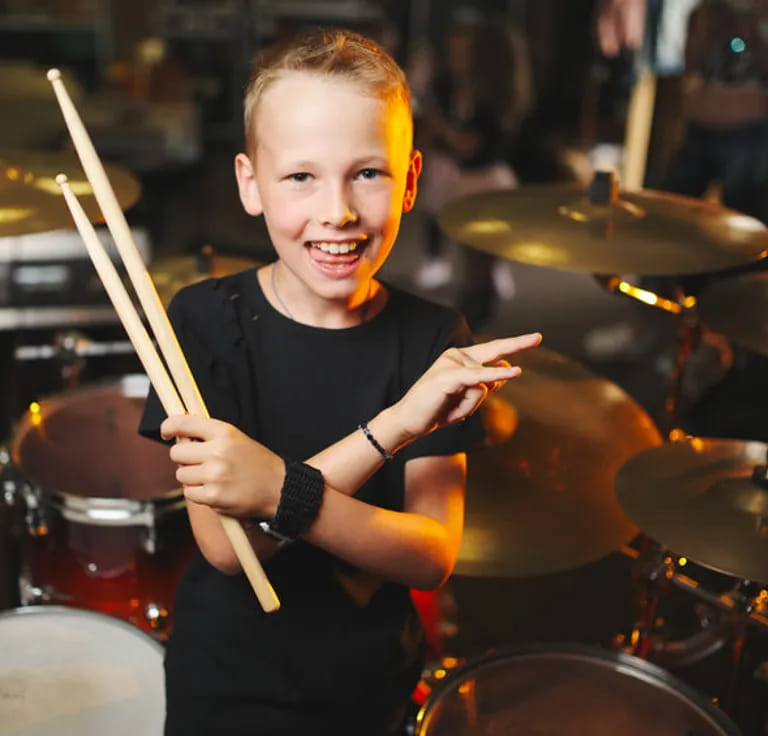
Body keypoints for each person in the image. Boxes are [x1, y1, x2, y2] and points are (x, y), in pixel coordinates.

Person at [139, 28, 541, 735]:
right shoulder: (202, 320)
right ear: (250, 184)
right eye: (301, 176)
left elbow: (430, 555)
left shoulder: (434, 339)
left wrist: (274, 491)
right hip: (226, 679)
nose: (338, 212)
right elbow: (231, 548)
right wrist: (394, 427)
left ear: (411, 180)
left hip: (370, 679)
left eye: (368, 173)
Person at [410, 16, 532, 329]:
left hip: (484, 180)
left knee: (479, 248)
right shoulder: (449, 87)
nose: (456, 60)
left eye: (464, 53)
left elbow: (470, 148)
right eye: (453, 53)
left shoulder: (495, 98)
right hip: (454, 173)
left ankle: (479, 298)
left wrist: (440, 127)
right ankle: (456, 279)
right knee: (460, 238)